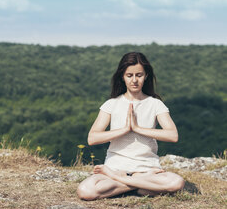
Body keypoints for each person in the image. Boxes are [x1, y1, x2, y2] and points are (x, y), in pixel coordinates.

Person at [77, 52, 185, 200]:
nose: (134, 80)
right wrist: (124, 129)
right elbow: (92, 138)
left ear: (146, 75)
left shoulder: (155, 104)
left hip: (147, 171)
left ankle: (125, 184)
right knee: (85, 191)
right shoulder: (112, 104)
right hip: (116, 168)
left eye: (139, 75)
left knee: (176, 183)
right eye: (129, 75)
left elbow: (173, 135)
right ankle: (141, 188)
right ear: (122, 76)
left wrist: (137, 129)